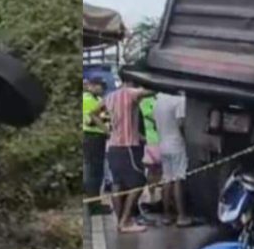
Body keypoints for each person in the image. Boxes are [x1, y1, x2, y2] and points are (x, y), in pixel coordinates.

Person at [103, 82, 154, 233]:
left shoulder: (109, 96)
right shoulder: (131, 93)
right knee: (138, 182)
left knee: (117, 183)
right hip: (128, 147)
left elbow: (92, 112)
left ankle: (121, 221)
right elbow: (151, 91)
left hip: (112, 145)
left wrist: (106, 130)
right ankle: (125, 221)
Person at [154, 91, 192, 226]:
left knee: (167, 179)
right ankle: (181, 216)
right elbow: (181, 123)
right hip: (176, 143)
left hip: (163, 143)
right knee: (178, 179)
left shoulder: (159, 99)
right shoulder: (179, 100)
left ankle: (166, 215)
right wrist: (188, 139)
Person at [82, 77, 109, 215]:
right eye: (100, 86)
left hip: (98, 138)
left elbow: (103, 116)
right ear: (92, 86)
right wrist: (106, 129)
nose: (103, 90)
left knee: (97, 172)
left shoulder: (97, 100)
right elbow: (90, 121)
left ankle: (95, 201)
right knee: (93, 172)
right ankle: (93, 205)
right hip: (92, 137)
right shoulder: (86, 99)